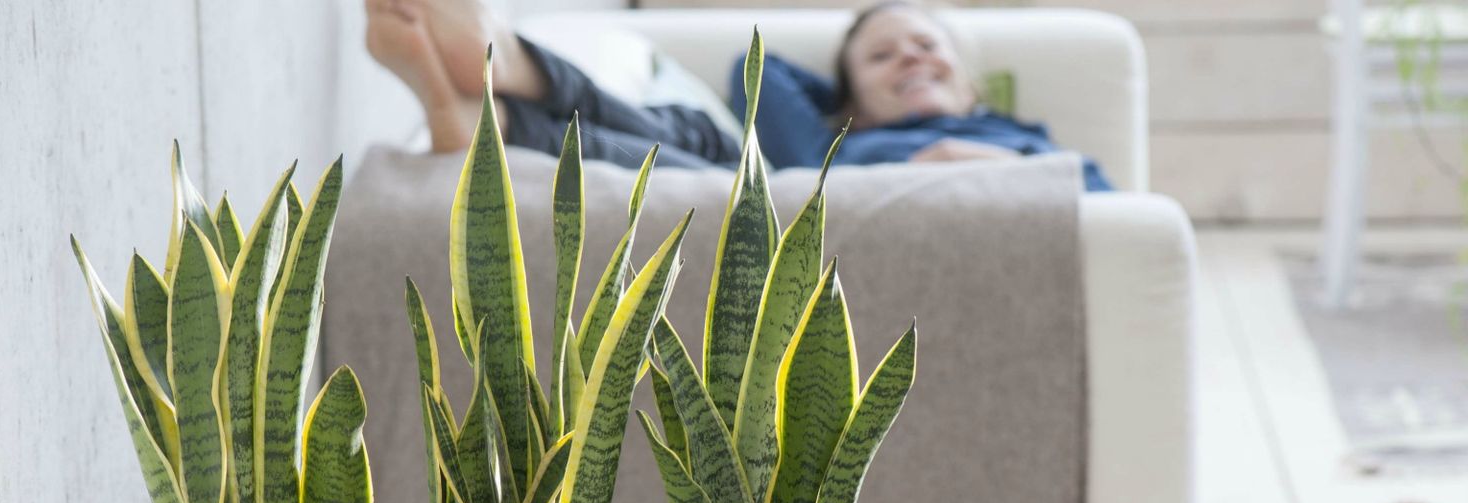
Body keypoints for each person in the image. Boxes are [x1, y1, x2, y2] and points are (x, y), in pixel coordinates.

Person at [365, 0, 1110, 188]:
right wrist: (848, 102)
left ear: (970, 78)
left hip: (794, 212)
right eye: (882, 57)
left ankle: (492, 110)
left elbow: (1092, 189)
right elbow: (758, 74)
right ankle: (501, 80)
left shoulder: (1023, 141)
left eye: (926, 46)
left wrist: (959, 161)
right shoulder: (831, 139)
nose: (910, 58)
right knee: (684, 128)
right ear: (851, 97)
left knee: (693, 177)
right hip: (779, 174)